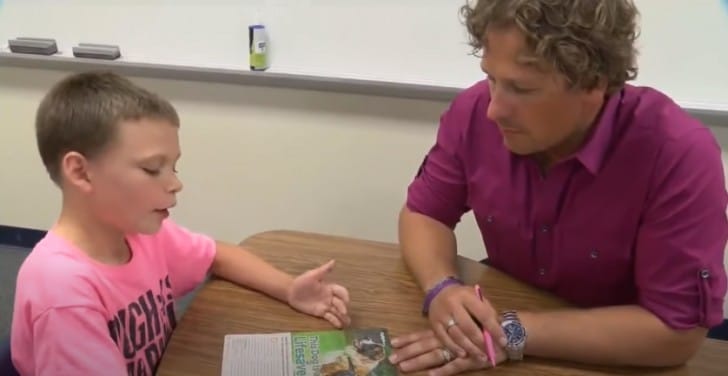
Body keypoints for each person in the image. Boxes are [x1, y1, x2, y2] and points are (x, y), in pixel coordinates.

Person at [389, 0, 728, 375]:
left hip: (617, 357)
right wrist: (441, 287)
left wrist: (512, 333)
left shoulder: (677, 154)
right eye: (491, 78)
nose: (494, 109)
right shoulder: (473, 111)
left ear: (594, 83)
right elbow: (425, 213)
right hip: (507, 318)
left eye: (521, 88)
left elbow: (674, 333)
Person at [10, 71, 351, 376]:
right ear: (81, 172)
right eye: (152, 169)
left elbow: (217, 254)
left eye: (174, 167)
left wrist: (289, 289)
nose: (175, 184)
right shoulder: (61, 291)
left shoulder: (141, 233)